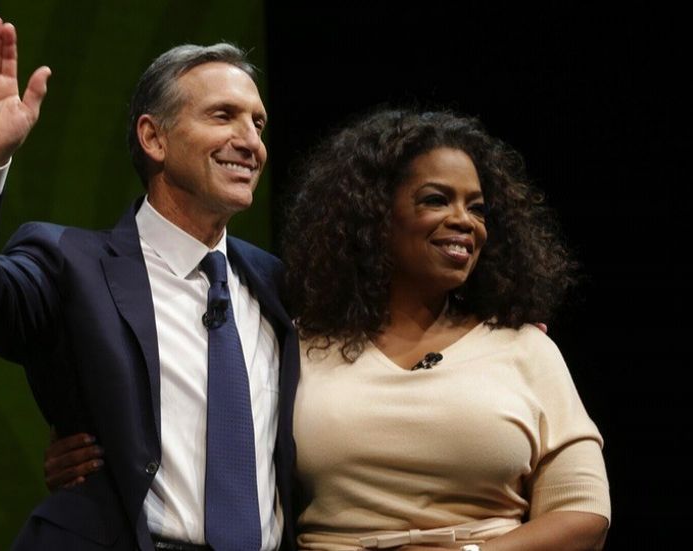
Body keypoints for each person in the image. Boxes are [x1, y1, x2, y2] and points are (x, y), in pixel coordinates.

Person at [48, 108, 610, 550]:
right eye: (436, 200)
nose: (464, 220)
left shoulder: (526, 349)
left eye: (477, 207)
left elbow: (586, 515)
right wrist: (95, 457)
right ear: (373, 217)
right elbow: (201, 419)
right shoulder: (298, 342)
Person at [0, 14, 299, 551]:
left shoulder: (280, 285)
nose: (251, 142)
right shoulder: (68, 262)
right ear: (154, 137)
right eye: (224, 116)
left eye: (258, 124)